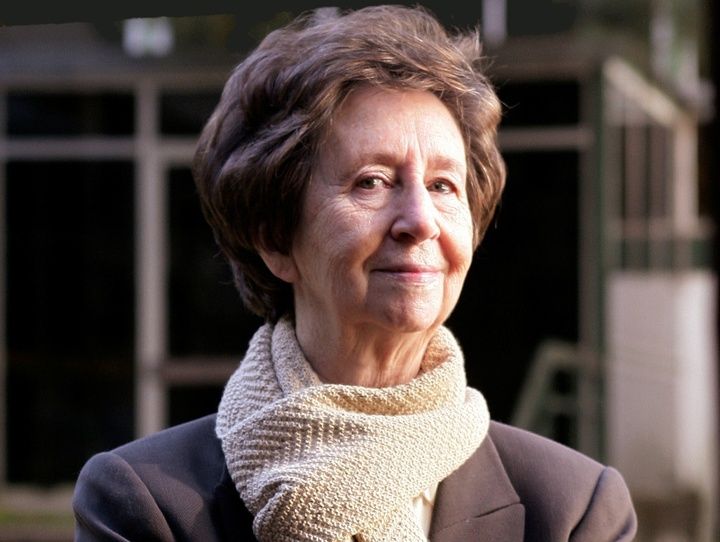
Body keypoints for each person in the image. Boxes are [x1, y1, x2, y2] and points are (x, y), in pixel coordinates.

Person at [72, 5, 637, 541]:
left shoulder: (573, 509)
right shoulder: (145, 502)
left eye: (443, 185)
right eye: (372, 181)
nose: (420, 220)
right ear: (274, 238)